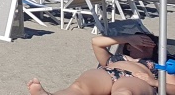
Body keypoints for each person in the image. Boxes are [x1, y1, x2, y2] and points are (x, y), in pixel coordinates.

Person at [28, 32, 174, 95]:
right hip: (107, 72)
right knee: (79, 87)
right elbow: (96, 42)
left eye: (150, 44)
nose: (146, 45)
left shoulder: (161, 65)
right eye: (142, 42)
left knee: (124, 92)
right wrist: (128, 38)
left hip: (138, 78)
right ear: (129, 46)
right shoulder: (114, 58)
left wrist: (154, 82)